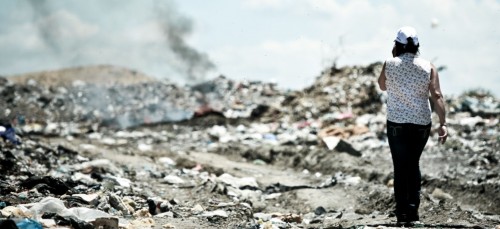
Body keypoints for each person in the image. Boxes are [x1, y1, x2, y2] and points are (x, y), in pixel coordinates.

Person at [377, 26, 447, 225]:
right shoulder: (428, 66)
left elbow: (382, 85)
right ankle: (413, 212)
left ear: (397, 45)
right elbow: (437, 95)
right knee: (413, 164)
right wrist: (443, 123)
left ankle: (401, 215)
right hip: (421, 123)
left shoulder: (389, 64)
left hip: (396, 122)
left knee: (400, 168)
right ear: (417, 46)